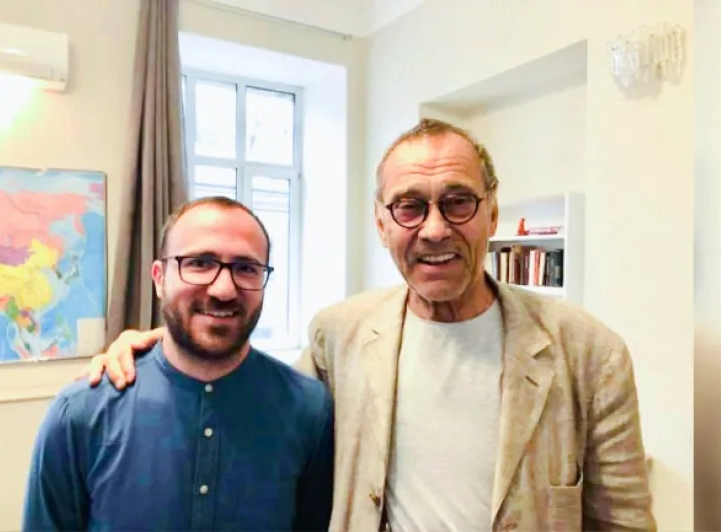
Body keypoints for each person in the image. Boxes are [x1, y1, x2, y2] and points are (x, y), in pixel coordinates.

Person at [87, 119, 656, 531]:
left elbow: (624, 521)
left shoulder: (588, 354)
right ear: (382, 225)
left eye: (458, 202)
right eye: (410, 207)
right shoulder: (339, 335)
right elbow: (259, 404)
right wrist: (165, 350)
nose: (434, 229)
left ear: (491, 213)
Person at [24, 196, 334, 531]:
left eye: (246, 268)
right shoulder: (80, 413)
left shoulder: (309, 411)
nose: (223, 289)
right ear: (159, 278)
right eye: (199, 263)